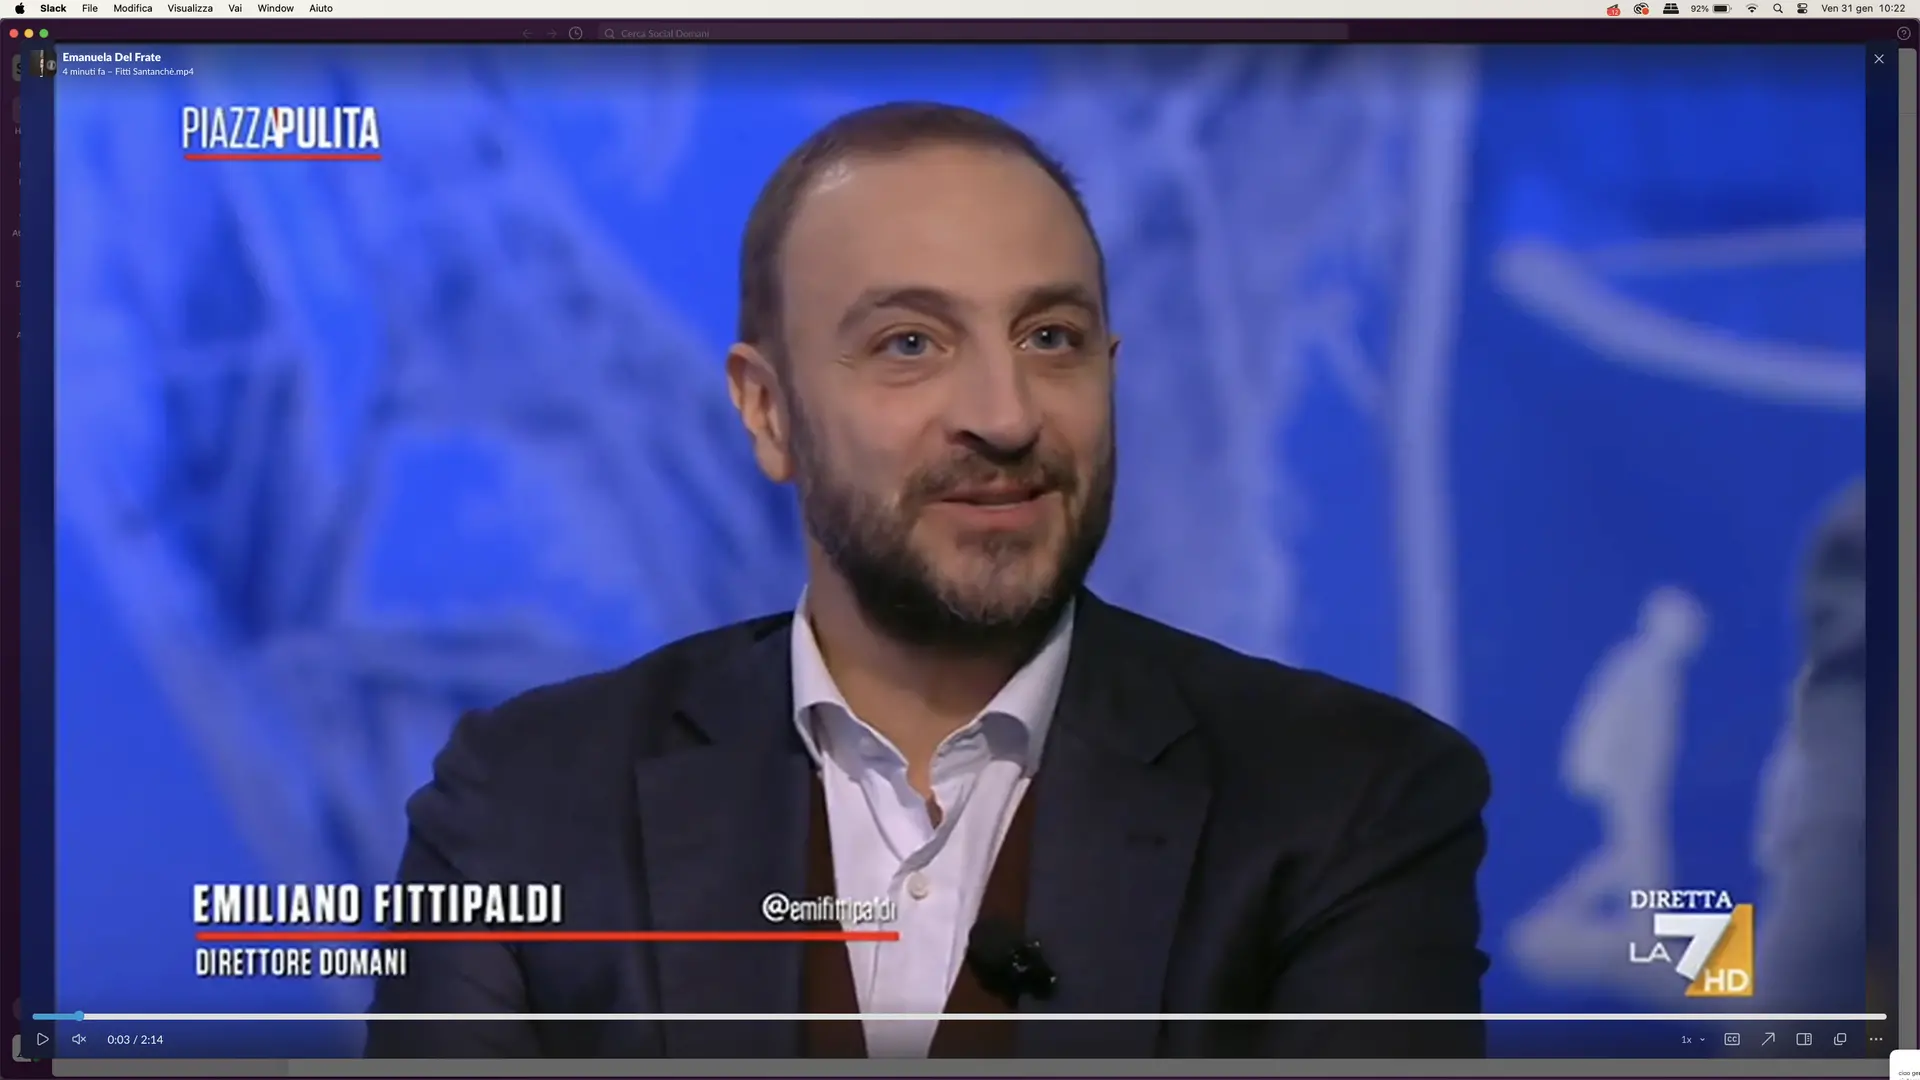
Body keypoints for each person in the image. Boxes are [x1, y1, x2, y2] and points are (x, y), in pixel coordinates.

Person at [367, 101, 1491, 1060]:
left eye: (1051, 338)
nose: (1005, 416)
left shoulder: (1350, 802)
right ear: (768, 411)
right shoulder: (524, 807)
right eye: (910, 344)